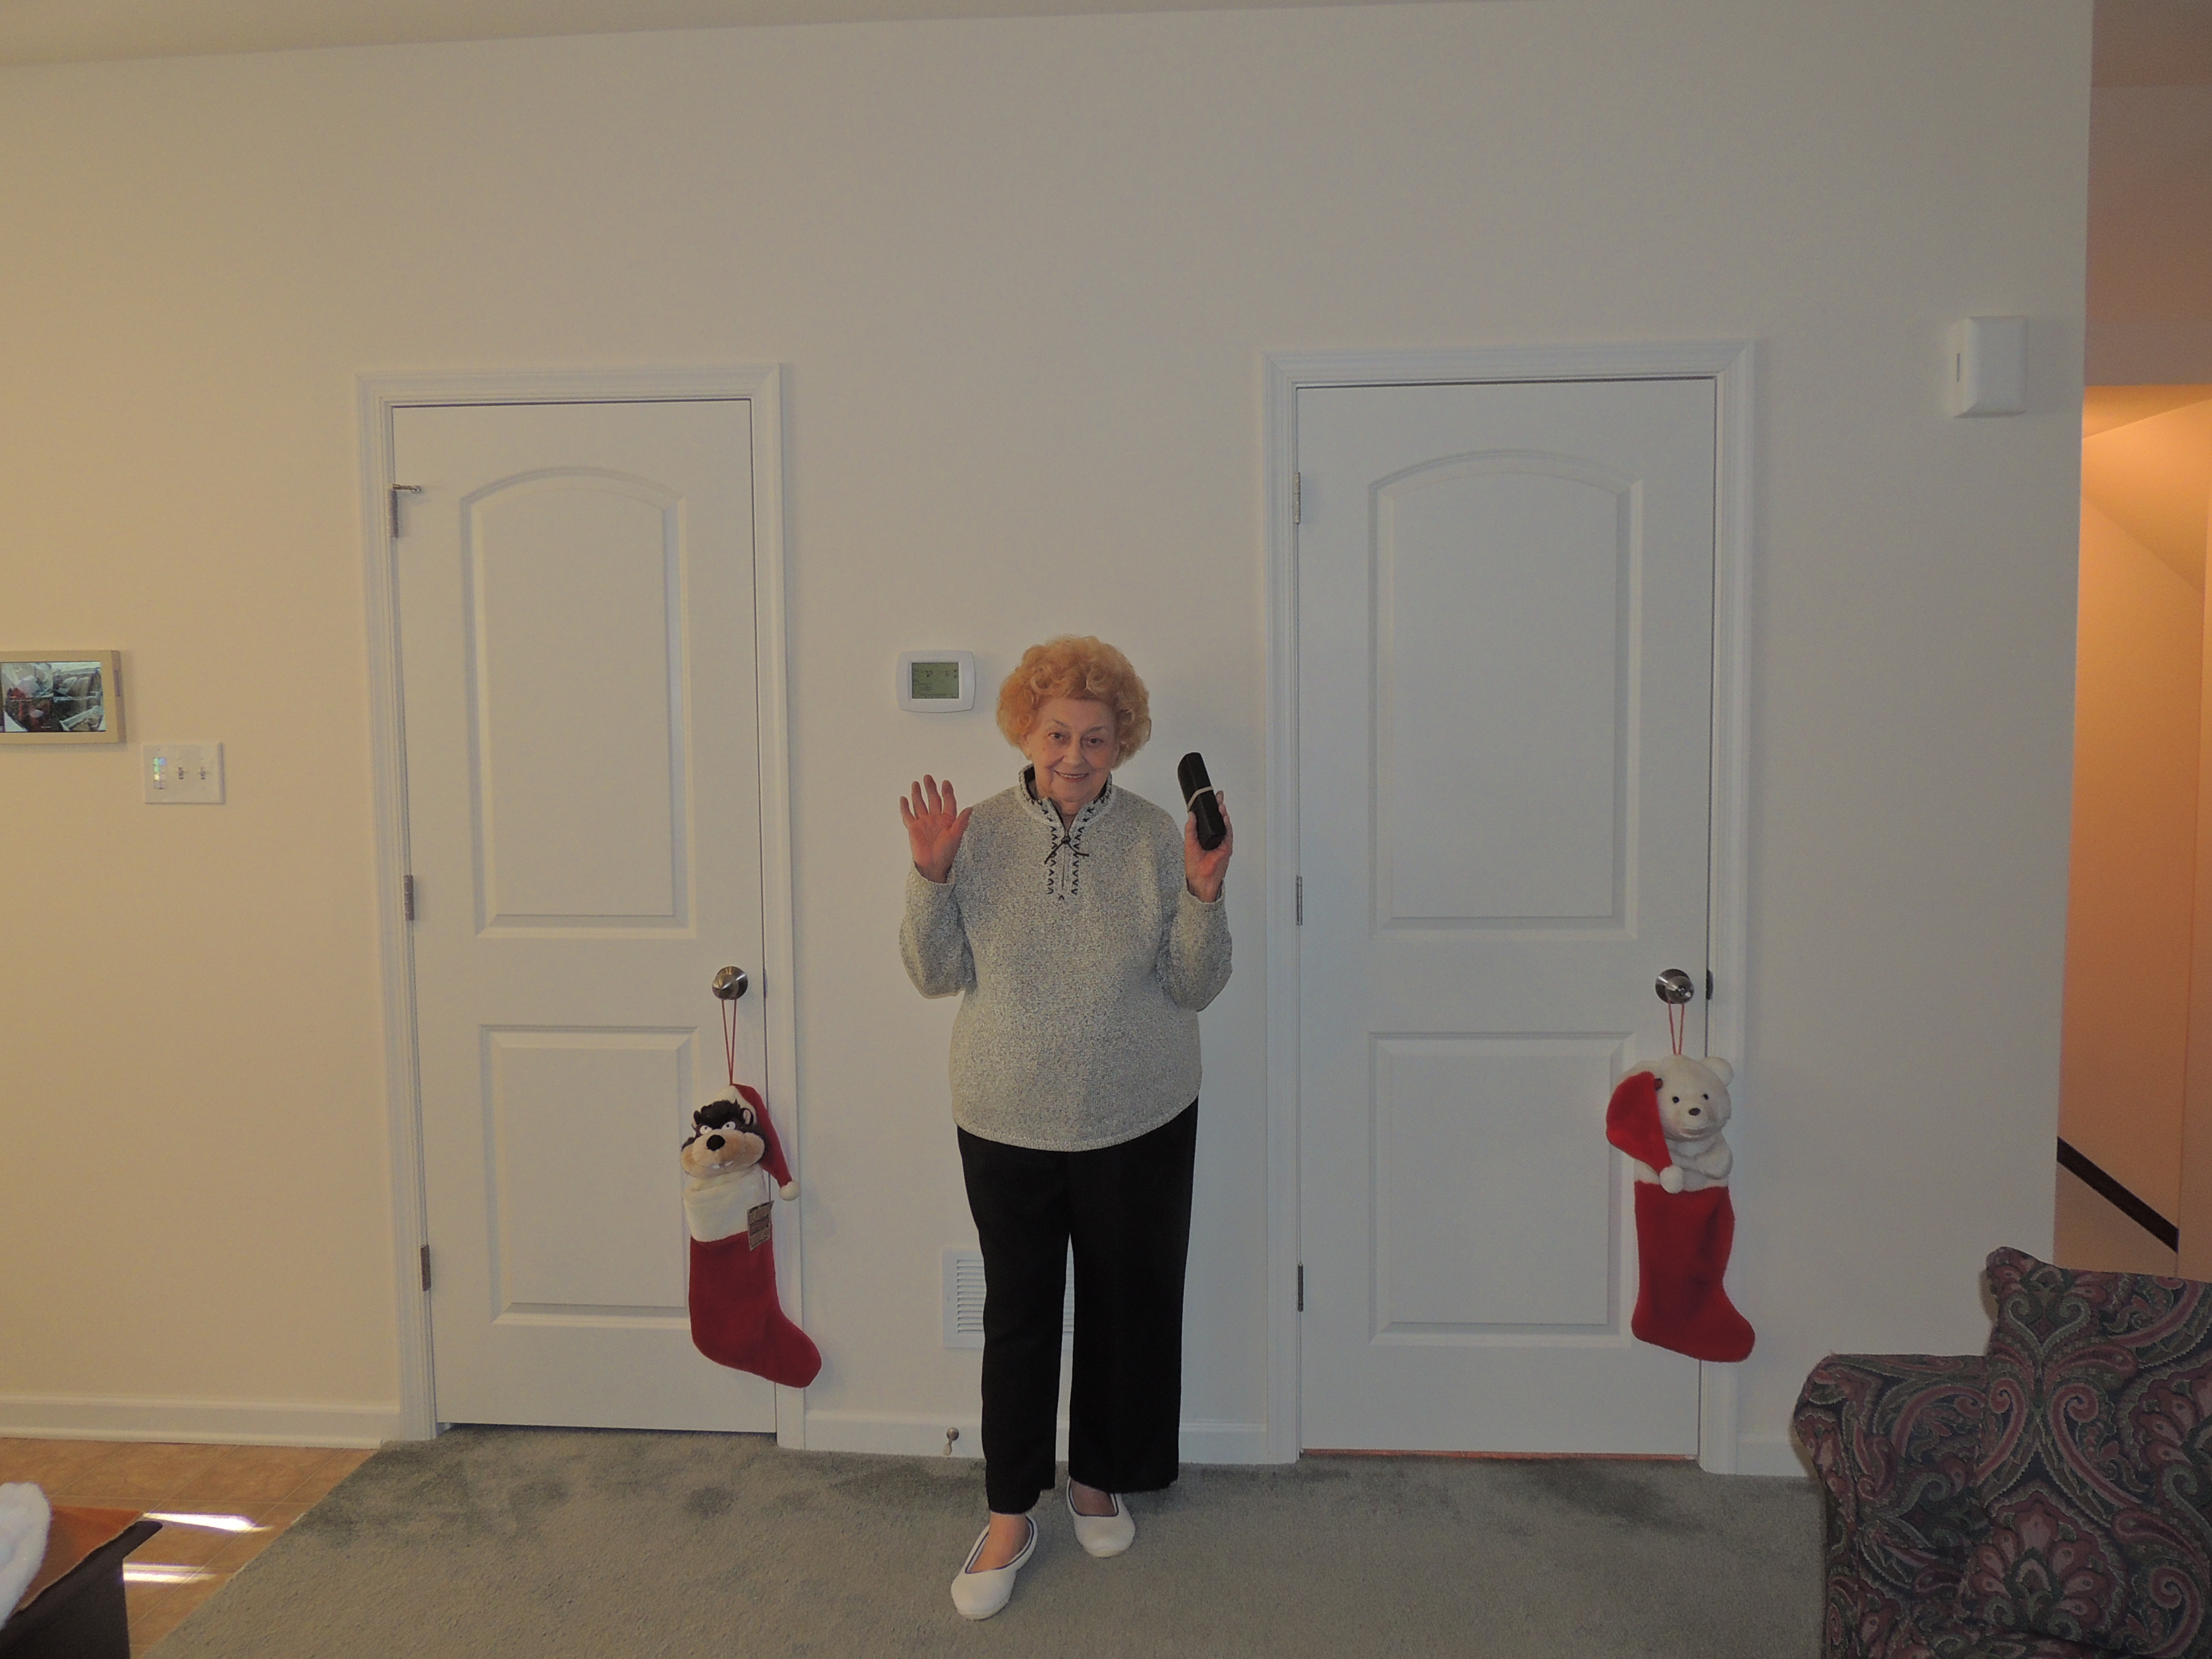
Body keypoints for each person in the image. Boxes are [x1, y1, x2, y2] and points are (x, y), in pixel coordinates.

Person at [899, 635, 1232, 1621]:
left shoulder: (1158, 836)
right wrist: (930, 876)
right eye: (1058, 734)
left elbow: (1196, 984)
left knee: (1131, 1309)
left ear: (1122, 742)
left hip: (1141, 1112)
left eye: (1095, 737)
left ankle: (1097, 1480)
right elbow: (933, 974)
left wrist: (1204, 889)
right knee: (1020, 1315)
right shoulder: (979, 834)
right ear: (1026, 732)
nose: (1075, 755)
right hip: (1006, 1116)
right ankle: (1010, 1513)